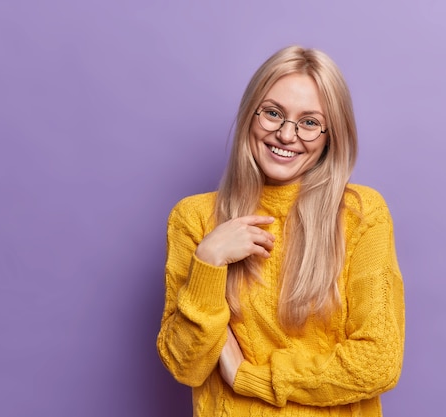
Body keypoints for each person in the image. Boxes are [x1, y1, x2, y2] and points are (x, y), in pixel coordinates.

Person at [157, 45, 405, 416]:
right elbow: (185, 366)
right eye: (273, 113)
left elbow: (377, 362)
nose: (286, 135)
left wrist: (248, 377)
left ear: (329, 136)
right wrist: (208, 262)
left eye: (308, 122)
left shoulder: (360, 213)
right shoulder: (194, 218)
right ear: (250, 117)